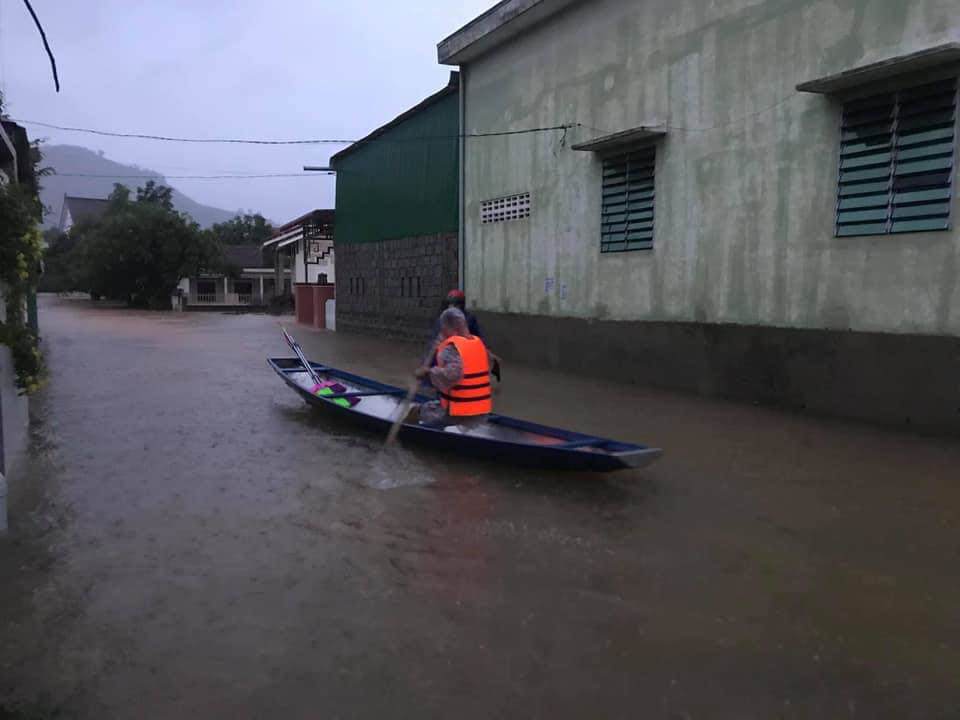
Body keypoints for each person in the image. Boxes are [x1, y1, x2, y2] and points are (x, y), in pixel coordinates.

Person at [415, 308, 492, 428]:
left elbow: (453, 374)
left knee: (419, 411)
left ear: (449, 328)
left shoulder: (451, 347)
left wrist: (428, 372)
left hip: (457, 415)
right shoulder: (478, 344)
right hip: (481, 412)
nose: (442, 332)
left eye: (444, 329)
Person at [426, 289, 501, 382]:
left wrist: (489, 353)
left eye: (456, 305)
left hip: (461, 354)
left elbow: (478, 336)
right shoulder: (444, 319)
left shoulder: (469, 319)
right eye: (451, 304)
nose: (453, 307)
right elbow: (434, 342)